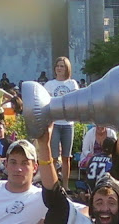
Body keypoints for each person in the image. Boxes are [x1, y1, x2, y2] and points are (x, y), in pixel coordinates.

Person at [44, 56, 79, 190]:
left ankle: (65, 185)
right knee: (53, 156)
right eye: (57, 66)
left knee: (66, 157)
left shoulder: (72, 84)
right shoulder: (49, 84)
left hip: (68, 124)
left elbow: (74, 101)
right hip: (54, 123)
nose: (59, 68)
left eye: (62, 66)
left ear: (67, 68)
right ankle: (54, 185)